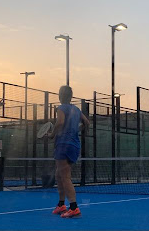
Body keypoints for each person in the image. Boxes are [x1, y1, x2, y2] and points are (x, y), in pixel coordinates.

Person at [48, 85, 89, 218]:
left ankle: (74, 208)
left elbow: (60, 122)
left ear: (60, 96)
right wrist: (76, 131)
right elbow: (87, 123)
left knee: (65, 177)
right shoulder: (76, 109)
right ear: (71, 96)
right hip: (74, 145)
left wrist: (52, 135)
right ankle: (61, 204)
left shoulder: (61, 108)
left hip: (64, 145)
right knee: (59, 174)